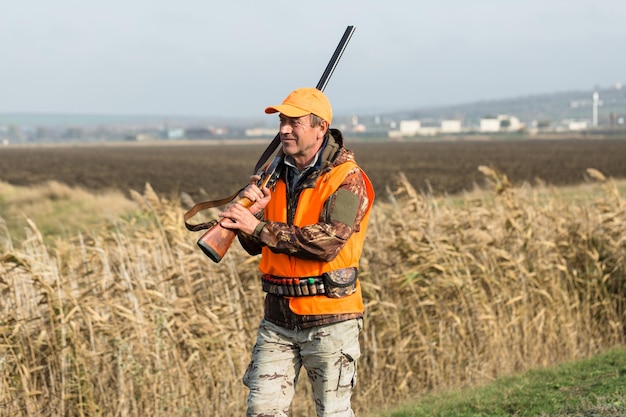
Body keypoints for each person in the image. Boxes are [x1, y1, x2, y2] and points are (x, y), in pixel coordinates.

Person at [219, 87, 375, 417]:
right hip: (277, 320)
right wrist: (250, 218)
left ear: (321, 128)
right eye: (282, 121)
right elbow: (253, 246)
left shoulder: (349, 180)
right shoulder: (271, 176)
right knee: (262, 411)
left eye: (295, 122)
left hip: (330, 320)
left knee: (332, 413)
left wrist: (258, 227)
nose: (284, 129)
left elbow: (329, 242)